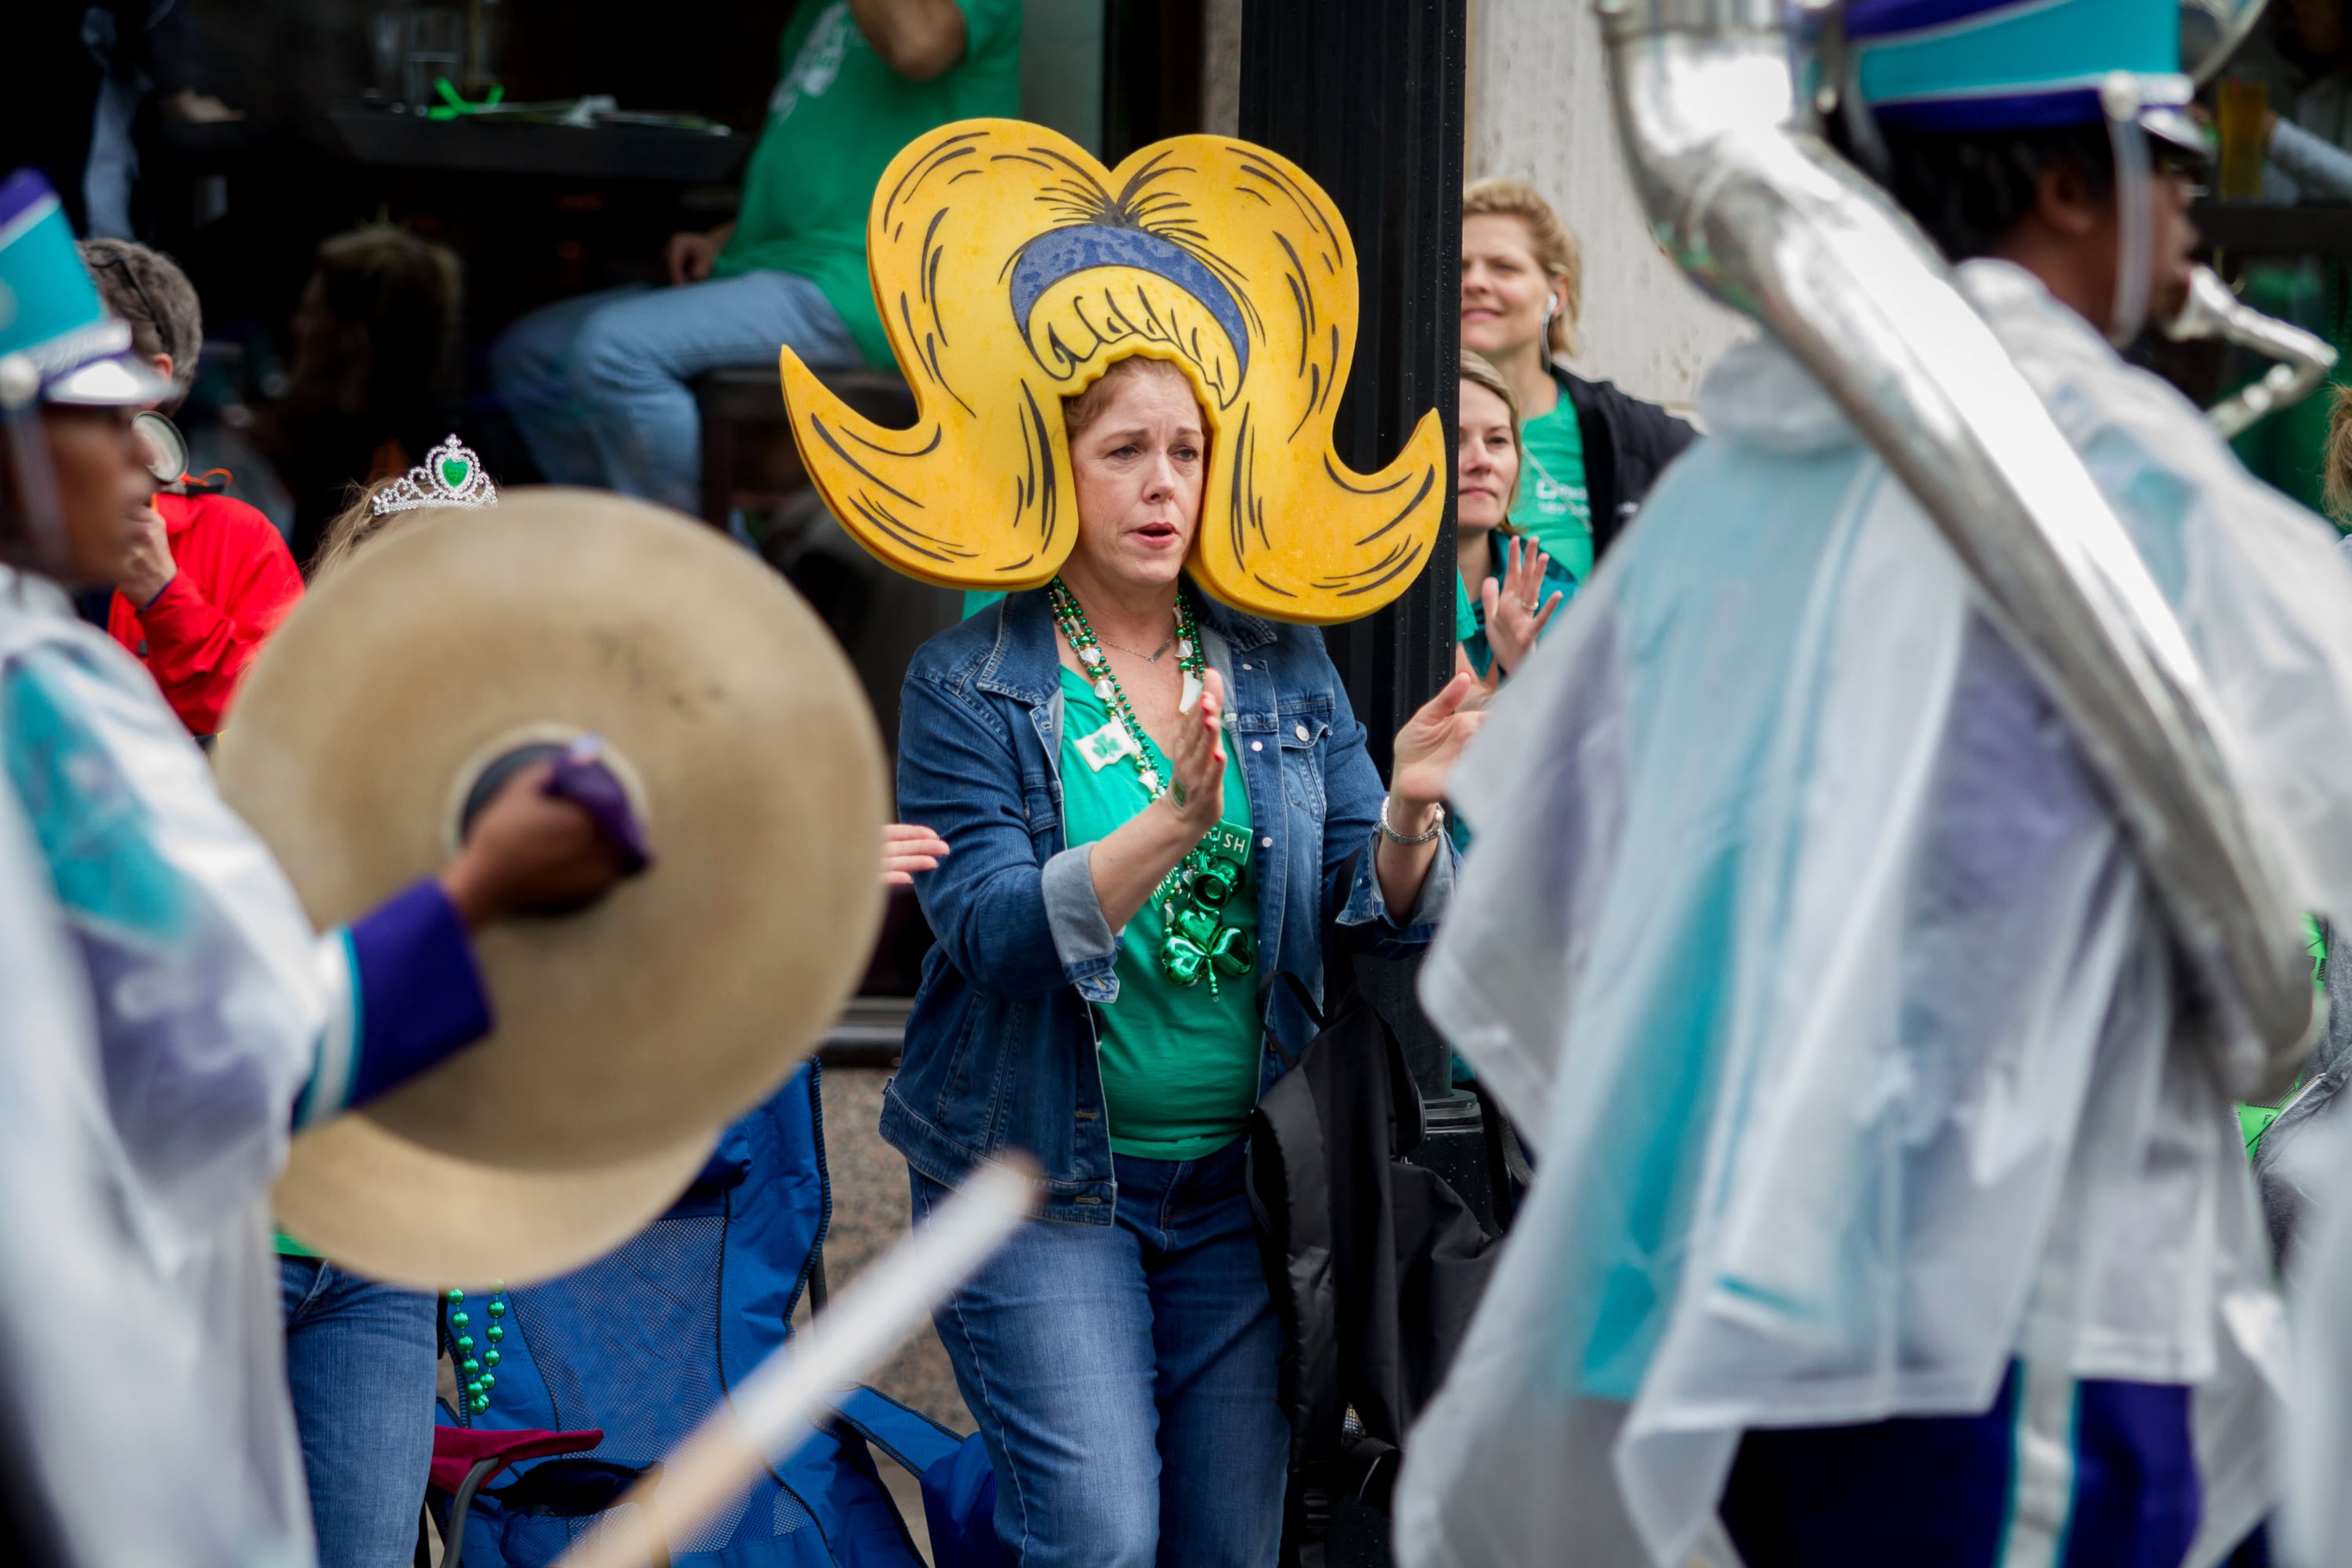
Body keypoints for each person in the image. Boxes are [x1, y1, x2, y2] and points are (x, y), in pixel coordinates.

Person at [1395, 3, 2352, 1566]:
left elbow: (1551, 898)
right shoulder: (2107, 461)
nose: (2196, 216)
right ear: (2065, 179)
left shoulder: (1739, 479)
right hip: (2028, 1319)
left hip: (1762, 1311)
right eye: (2174, 158)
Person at [0, 167, 637, 1566]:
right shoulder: (44, 697)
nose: (148, 462)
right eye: (104, 425)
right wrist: (480, 894)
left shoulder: (62, 670)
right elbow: (254, 1040)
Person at [893, 352, 1476, 1565]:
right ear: (1056, 473)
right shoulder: (969, 679)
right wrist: (1170, 824)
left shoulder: (1277, 658)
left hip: (1241, 1186)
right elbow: (993, 931)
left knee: (1229, 1542)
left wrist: (1413, 810)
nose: (1163, 484)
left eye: (1188, 452)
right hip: (1033, 1176)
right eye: (1124, 451)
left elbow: (1368, 913)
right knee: (1099, 1532)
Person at [490, 0, 1022, 515]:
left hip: (875, 283)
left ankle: (715, 589)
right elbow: (834, 166)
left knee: (615, 352)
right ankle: (632, 559)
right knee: (533, 358)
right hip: (794, 268)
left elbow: (919, 44)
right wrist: (728, 236)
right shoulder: (821, 11)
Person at [77, 236, 302, 737]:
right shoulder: (23, 527)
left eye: (77, 355)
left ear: (150, 384)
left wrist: (165, 598)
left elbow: (284, 729)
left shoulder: (241, 540)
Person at [1458, 177, 1695, 578]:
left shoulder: (1627, 432)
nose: (1475, 282)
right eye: (1457, 267)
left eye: (1504, 267)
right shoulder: (1400, 421)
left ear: (1557, 294)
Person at [258, 224, 465, 568]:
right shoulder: (334, 436)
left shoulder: (386, 462)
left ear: (353, 335)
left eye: (313, 310)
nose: (299, 326)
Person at [1454, 349, 1571, 687]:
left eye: (1497, 441)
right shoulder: (1370, 587)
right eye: (1454, 439)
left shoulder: (1557, 592)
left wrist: (1516, 667)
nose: (1481, 461)